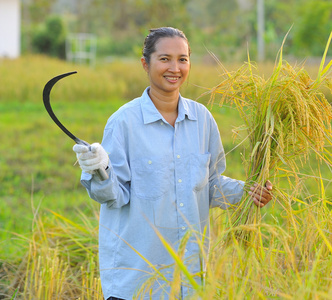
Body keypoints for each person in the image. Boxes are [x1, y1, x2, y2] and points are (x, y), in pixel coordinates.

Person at [73, 27, 272, 300]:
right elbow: (112, 196)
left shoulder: (202, 119)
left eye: (183, 59)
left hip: (189, 279)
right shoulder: (124, 122)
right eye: (164, 59)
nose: (174, 68)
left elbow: (210, 184)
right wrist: (98, 169)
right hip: (137, 279)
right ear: (146, 63)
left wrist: (248, 191)